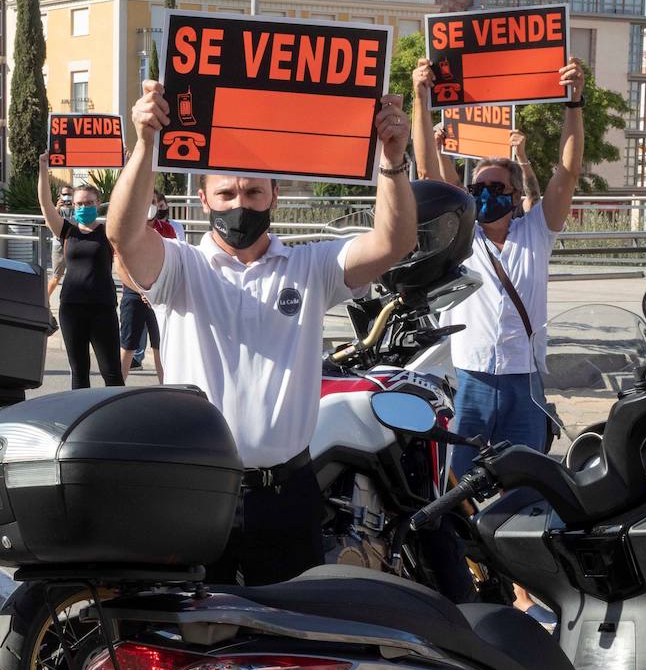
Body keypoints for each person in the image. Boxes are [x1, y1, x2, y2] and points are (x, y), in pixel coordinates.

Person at [107, 79, 417, 586]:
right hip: (199, 491)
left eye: (253, 191)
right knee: (201, 640)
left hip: (288, 493)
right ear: (204, 198)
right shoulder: (182, 269)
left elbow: (394, 241)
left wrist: (393, 157)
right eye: (226, 192)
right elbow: (123, 235)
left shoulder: (310, 267)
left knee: (291, 644)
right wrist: (145, 144)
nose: (240, 205)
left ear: (275, 192)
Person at [411, 57, 585, 479]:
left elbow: (568, 172)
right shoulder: (462, 236)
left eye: (496, 188)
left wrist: (574, 103)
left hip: (523, 381)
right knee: (459, 482)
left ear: (514, 193)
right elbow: (426, 171)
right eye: (478, 188)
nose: (485, 195)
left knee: (526, 481)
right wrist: (420, 97)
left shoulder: (537, 231)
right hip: (470, 377)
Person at [37, 156, 123, 389]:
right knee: (79, 372)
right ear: (72, 206)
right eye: (79, 204)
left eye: (89, 203)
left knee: (112, 373)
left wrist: (126, 163)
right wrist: (44, 168)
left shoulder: (108, 231)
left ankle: (118, 423)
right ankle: (81, 421)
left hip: (103, 308)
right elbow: (45, 205)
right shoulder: (68, 231)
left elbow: (124, 200)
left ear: (98, 203)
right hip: (72, 308)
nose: (84, 207)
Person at [120, 190, 181, 381]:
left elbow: (174, 261)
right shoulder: (127, 231)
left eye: (153, 202)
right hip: (134, 293)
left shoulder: (167, 230)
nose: (150, 206)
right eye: (145, 201)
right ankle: (114, 392)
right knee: (128, 346)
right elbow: (120, 265)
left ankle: (167, 391)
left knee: (160, 345)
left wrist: (155, 291)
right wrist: (142, 291)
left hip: (161, 295)